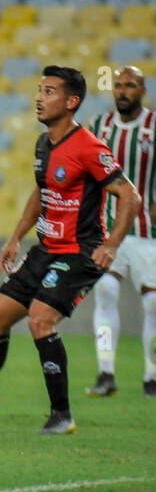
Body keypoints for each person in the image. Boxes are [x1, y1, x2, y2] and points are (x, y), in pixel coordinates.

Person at [0, 67, 142, 435]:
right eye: (39, 90)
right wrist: (15, 237)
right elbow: (41, 191)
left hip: (80, 252)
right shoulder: (44, 143)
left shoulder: (89, 147)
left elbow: (130, 196)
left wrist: (112, 246)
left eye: (49, 91)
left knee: (40, 320)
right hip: (45, 249)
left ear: (71, 101)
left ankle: (61, 415)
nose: (39, 98)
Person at [84, 66, 156, 398]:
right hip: (109, 230)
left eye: (130, 85)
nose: (122, 91)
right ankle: (105, 372)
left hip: (148, 232)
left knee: (154, 303)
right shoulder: (100, 127)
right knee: (105, 293)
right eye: (118, 85)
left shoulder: (154, 126)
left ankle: (152, 375)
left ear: (142, 90)